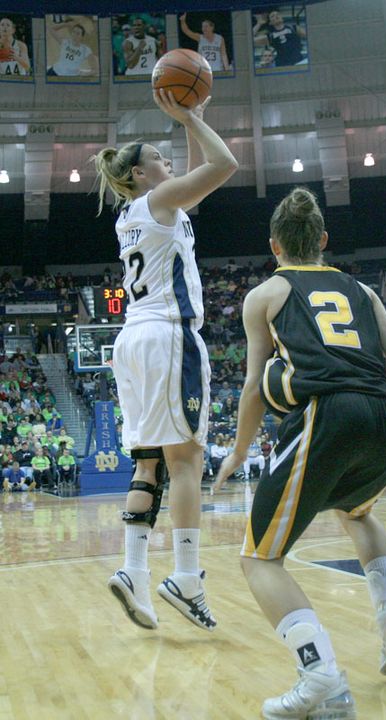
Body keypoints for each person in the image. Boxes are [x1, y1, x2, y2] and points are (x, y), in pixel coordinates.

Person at [212, 188, 386, 719]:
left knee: (259, 559)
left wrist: (237, 451)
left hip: (331, 414)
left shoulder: (266, 294)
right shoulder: (363, 291)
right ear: (323, 240)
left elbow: (256, 386)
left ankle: (320, 676)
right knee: (359, 512)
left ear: (274, 246)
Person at [94, 87, 237, 632]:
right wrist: (189, 116)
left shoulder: (137, 212)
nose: (168, 162)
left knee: (148, 461)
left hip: (133, 340)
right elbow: (224, 164)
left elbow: (194, 183)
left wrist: (190, 122)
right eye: (157, 157)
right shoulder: (157, 202)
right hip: (168, 337)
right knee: (186, 462)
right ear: (137, 174)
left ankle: (132, 569)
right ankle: (185, 577)